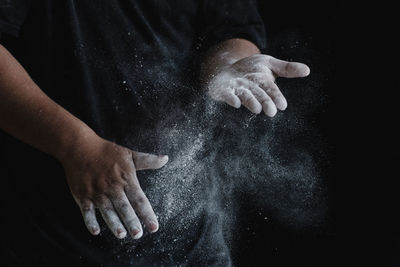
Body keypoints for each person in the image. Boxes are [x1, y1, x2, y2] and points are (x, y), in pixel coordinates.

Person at [0, 0, 310, 265]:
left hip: (190, 240)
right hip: (52, 234)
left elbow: (230, 28)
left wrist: (229, 65)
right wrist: (75, 145)